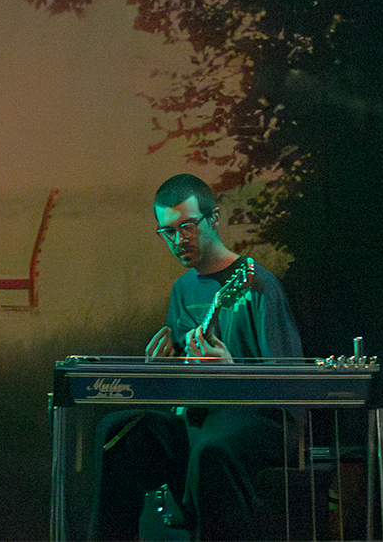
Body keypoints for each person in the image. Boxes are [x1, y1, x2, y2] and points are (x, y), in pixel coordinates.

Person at [90, 173, 305, 542]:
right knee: (119, 432)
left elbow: (289, 387)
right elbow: (184, 388)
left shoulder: (258, 284)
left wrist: (231, 372)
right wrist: (163, 372)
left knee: (211, 449)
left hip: (260, 421)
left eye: (187, 227)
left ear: (214, 219)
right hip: (199, 422)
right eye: (168, 232)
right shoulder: (183, 289)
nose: (178, 240)